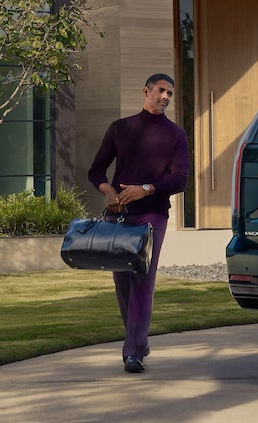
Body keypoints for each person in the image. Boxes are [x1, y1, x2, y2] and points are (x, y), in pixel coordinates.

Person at [87, 74, 191, 373]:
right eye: (160, 91)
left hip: (152, 216)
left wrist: (145, 189)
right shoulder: (121, 129)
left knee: (143, 280)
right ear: (146, 91)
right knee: (122, 282)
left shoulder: (176, 135)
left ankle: (132, 352)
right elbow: (96, 170)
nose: (166, 97)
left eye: (170, 93)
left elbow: (179, 179)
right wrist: (108, 191)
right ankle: (139, 342)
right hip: (118, 215)